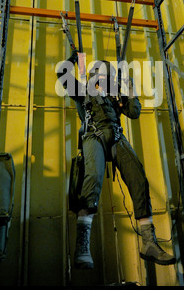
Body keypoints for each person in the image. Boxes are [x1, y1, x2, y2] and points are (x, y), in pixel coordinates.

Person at [56, 49, 175, 269]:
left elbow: (135, 112)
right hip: (94, 136)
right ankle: (82, 247)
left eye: (108, 76)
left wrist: (129, 88)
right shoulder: (83, 92)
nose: (105, 79)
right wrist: (73, 59)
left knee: (139, 179)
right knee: (92, 179)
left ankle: (149, 243)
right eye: (101, 76)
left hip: (117, 136)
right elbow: (63, 75)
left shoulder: (115, 95)